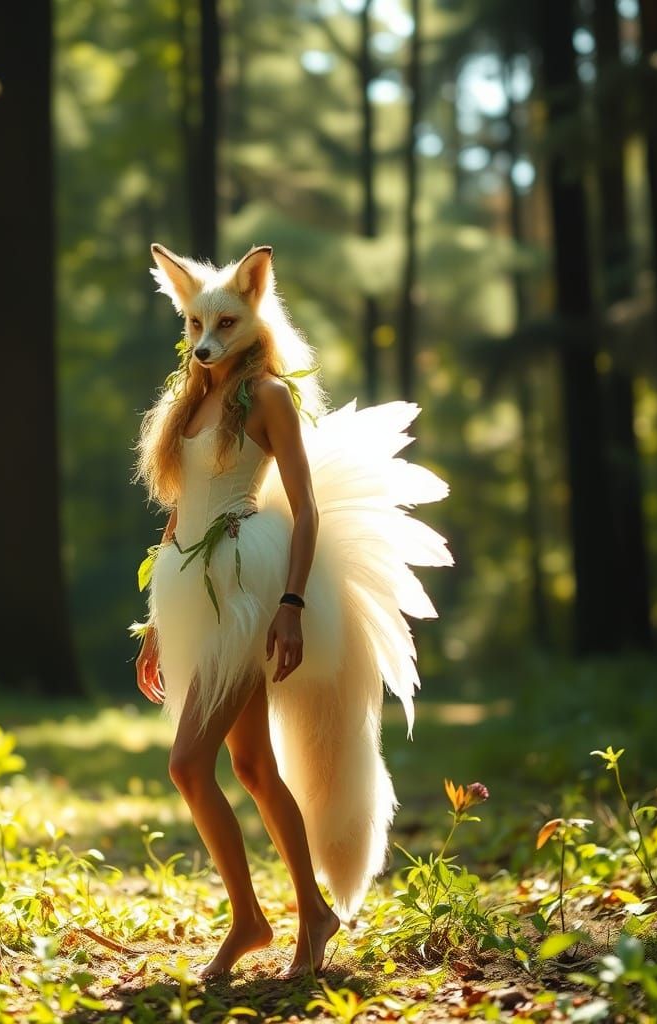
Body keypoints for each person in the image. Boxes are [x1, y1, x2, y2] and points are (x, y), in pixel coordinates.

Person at [134, 243, 451, 979]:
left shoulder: (268, 396)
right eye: (196, 323)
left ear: (253, 309)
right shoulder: (192, 400)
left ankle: (252, 918)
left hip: (248, 586)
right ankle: (310, 912)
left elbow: (306, 509)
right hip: (194, 587)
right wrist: (154, 623)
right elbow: (182, 512)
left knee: (188, 765)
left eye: (223, 322)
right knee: (250, 764)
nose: (207, 338)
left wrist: (291, 604)